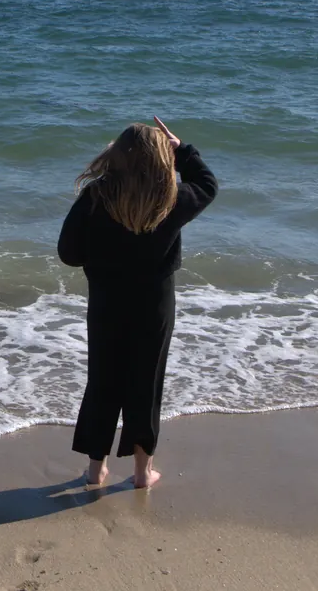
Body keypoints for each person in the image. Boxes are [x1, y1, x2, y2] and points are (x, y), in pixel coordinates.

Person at [56, 117, 217, 489]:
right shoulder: (171, 199)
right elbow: (208, 185)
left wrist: (102, 255)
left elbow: (68, 253)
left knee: (103, 380)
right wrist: (183, 151)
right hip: (154, 304)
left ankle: (96, 470)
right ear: (161, 158)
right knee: (146, 382)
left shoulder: (96, 196)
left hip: (107, 301)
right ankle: (142, 473)